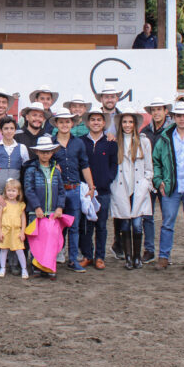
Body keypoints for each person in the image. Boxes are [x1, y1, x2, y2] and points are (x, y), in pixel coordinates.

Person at [151, 100, 184, 271]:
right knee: (167, 223)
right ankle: (164, 257)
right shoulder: (165, 137)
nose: (182, 119)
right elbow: (156, 160)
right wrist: (158, 180)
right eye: (179, 115)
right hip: (171, 186)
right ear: (174, 117)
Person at [48, 110, 94, 272]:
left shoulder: (78, 143)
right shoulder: (51, 143)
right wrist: (53, 167)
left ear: (72, 124)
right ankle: (51, 258)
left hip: (74, 188)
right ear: (56, 124)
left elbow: (85, 165)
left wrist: (91, 186)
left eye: (67, 122)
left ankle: (73, 259)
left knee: (74, 226)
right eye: (61, 122)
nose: (64, 125)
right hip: (56, 190)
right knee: (55, 226)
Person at [0, 115, 32, 273]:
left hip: (15, 193)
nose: (9, 131)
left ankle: (13, 262)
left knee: (15, 225)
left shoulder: (22, 148)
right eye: (5, 128)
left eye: (12, 128)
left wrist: (21, 193)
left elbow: (26, 169)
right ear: (1, 130)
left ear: (15, 130)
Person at [110, 106, 154, 270]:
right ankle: (128, 257)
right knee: (124, 224)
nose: (127, 125)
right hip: (121, 187)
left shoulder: (144, 142)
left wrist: (146, 182)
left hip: (138, 188)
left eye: (130, 122)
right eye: (125, 122)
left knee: (137, 224)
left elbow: (149, 167)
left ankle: (137, 257)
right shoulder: (115, 142)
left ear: (135, 124)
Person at [78, 106, 117, 268]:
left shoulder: (110, 143)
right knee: (86, 225)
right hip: (85, 190)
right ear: (88, 122)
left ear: (104, 123)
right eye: (93, 119)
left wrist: (107, 179)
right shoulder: (81, 142)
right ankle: (87, 255)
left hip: (103, 191)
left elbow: (114, 165)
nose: (96, 122)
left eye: (99, 120)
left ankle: (100, 257)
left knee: (101, 225)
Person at [23, 135, 65, 280]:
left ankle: (49, 266)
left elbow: (61, 190)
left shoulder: (56, 171)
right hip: (36, 212)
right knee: (37, 239)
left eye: (48, 152)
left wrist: (59, 207)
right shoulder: (31, 170)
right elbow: (29, 189)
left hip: (52, 211)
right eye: (42, 152)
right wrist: (36, 207)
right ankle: (36, 266)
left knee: (51, 239)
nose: (45, 154)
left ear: (52, 152)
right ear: (37, 152)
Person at [140, 98, 172, 262]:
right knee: (147, 216)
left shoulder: (172, 130)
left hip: (166, 179)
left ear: (166, 111)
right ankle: (149, 249)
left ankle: (165, 253)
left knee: (168, 217)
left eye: (159, 109)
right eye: (154, 110)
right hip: (148, 178)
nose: (156, 112)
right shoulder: (145, 131)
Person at [0, 179, 29, 279]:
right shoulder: (3, 204)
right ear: (5, 191)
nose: (11, 193)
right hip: (5, 230)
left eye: (13, 191)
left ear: (18, 192)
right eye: (9, 190)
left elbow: (23, 219)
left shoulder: (20, 205)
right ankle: (2, 267)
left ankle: (24, 269)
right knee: (3, 250)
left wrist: (22, 232)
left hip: (16, 231)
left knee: (19, 250)